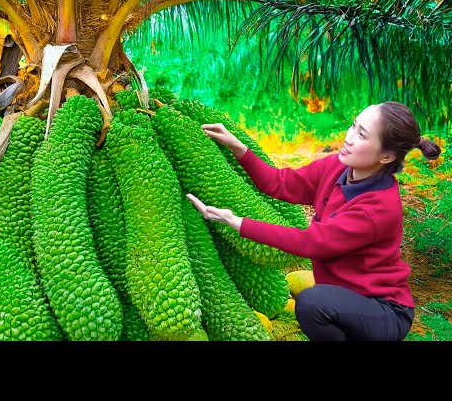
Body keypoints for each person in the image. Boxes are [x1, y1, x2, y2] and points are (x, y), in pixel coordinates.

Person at [187, 101, 442, 341]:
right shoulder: (338, 167)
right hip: (344, 298)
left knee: (312, 303)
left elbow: (311, 243)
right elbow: (280, 183)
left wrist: (237, 223)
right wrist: (238, 147)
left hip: (383, 311)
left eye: (362, 135)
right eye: (353, 125)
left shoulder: (377, 209)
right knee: (316, 301)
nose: (349, 137)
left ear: (387, 156)